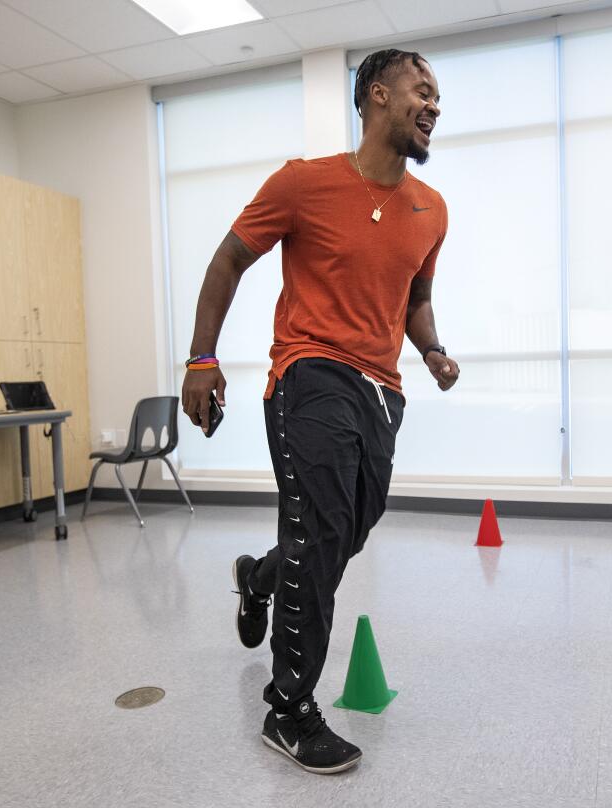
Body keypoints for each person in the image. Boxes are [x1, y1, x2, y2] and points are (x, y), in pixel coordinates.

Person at [181, 49, 459, 775]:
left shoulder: (432, 209)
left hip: (381, 391)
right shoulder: (304, 183)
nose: (434, 104)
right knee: (324, 528)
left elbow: (416, 298)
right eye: (421, 91)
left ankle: (260, 579)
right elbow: (227, 261)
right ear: (377, 96)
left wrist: (430, 351)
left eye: (438, 96)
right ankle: (288, 710)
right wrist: (201, 360)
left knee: (342, 534)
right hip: (308, 374)